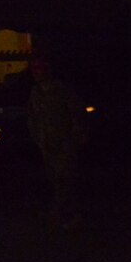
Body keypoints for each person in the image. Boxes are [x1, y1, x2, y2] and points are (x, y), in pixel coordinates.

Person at [26, 54, 85, 229]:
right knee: (54, 179)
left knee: (65, 178)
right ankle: (66, 213)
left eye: (39, 68)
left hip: (64, 141)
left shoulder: (61, 90)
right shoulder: (36, 92)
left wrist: (77, 136)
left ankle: (62, 214)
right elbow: (32, 116)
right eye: (34, 69)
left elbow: (76, 113)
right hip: (46, 142)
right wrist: (37, 136)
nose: (36, 73)